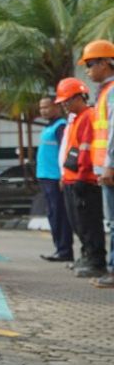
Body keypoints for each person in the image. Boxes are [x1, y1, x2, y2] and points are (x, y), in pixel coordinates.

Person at [55, 77, 107, 279]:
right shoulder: (76, 119)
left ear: (79, 97)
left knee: (89, 223)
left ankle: (96, 261)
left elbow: (86, 150)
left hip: (83, 179)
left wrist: (83, 177)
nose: (65, 105)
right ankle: (87, 256)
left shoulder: (87, 116)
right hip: (73, 178)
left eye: (68, 101)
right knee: (79, 223)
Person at [78, 40, 114, 287]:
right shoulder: (105, 92)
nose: (88, 71)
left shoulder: (111, 92)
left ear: (105, 63)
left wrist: (109, 165)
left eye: (91, 64)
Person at [35, 96, 72, 262]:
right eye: (41, 108)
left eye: (47, 107)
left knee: (59, 214)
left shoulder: (60, 126)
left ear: (57, 107)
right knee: (52, 214)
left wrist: (63, 175)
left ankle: (64, 250)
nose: (43, 110)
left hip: (55, 177)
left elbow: (64, 152)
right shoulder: (48, 127)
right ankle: (59, 248)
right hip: (45, 177)